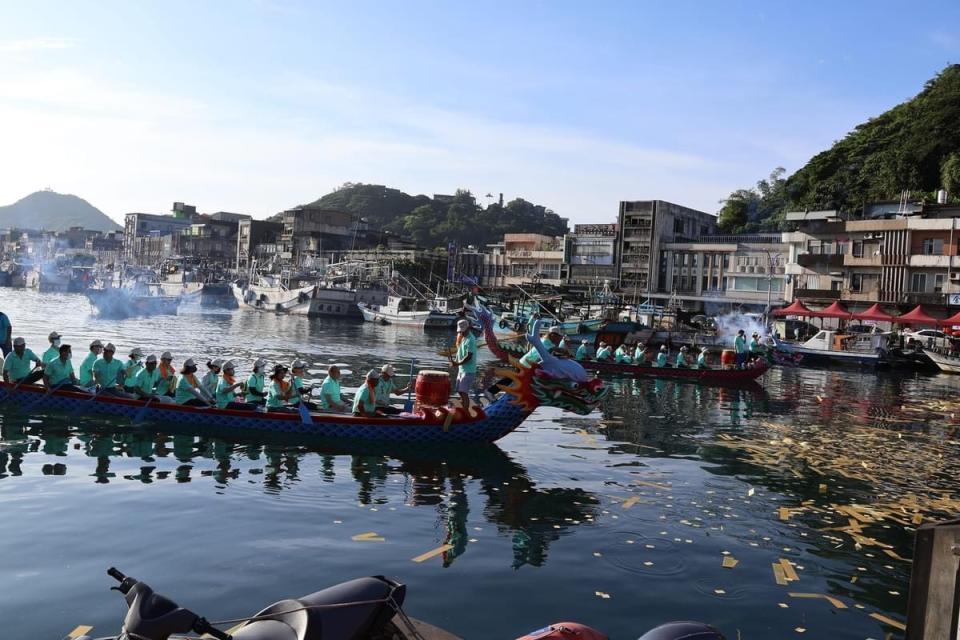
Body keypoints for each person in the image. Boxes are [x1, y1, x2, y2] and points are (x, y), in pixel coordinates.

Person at [448, 318, 477, 410]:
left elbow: (469, 357)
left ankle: (465, 412)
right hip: (462, 369)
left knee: (463, 392)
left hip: (468, 371)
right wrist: (455, 362)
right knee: (460, 391)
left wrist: (457, 363)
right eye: (460, 331)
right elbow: (460, 352)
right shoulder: (463, 338)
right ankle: (462, 407)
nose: (461, 332)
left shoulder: (471, 340)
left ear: (468, 328)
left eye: (463, 331)